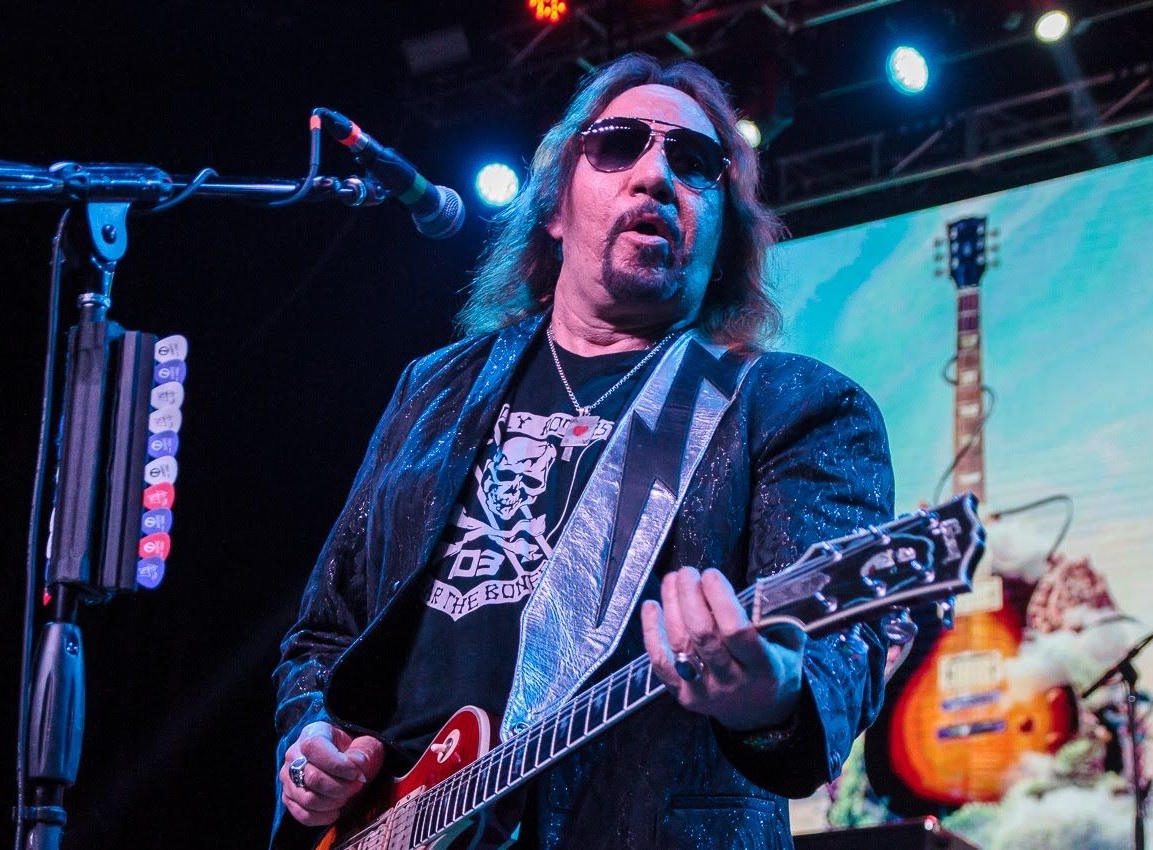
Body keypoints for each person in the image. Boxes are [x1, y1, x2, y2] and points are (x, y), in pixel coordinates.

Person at [271, 52, 897, 849]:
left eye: (693, 162)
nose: (654, 175)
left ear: (725, 234)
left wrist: (767, 697)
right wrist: (312, 739)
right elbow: (325, 633)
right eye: (618, 144)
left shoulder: (793, 407)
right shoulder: (432, 391)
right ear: (555, 207)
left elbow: (838, 662)